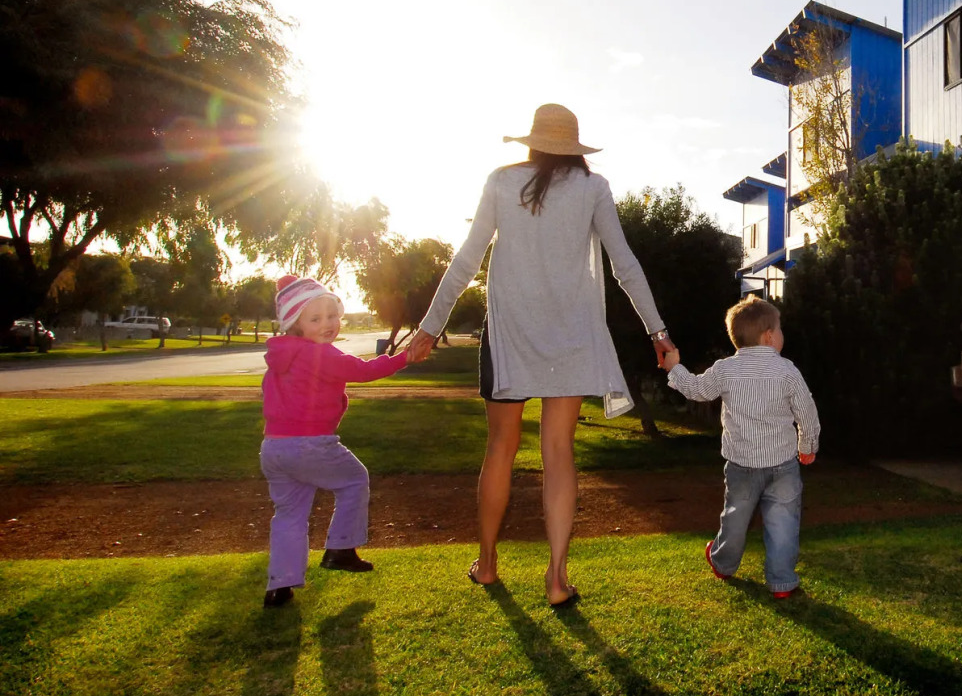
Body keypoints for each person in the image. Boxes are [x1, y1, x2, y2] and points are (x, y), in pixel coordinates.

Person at [409, 103, 673, 606]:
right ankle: (555, 580)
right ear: (573, 147)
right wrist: (657, 330)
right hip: (570, 335)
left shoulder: (501, 182)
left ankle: (486, 565)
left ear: (531, 142)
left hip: (510, 333)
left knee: (500, 451)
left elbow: (467, 257)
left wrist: (430, 325)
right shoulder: (593, 187)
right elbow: (625, 264)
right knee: (558, 453)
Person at [260, 275, 409, 608]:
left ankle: (279, 584)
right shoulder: (318, 355)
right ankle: (341, 547)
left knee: (289, 514)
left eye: (332, 315)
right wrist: (406, 357)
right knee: (355, 480)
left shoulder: (280, 358)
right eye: (316, 318)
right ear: (295, 324)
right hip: (311, 443)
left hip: (274, 448)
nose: (328, 324)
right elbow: (364, 371)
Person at [660, 296, 820, 599]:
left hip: (742, 465)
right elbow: (806, 411)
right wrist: (807, 445)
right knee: (784, 523)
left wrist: (675, 368)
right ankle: (783, 582)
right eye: (780, 329)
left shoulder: (726, 369)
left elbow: (696, 389)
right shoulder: (787, 371)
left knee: (735, 517)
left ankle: (723, 563)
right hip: (783, 464)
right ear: (770, 336)